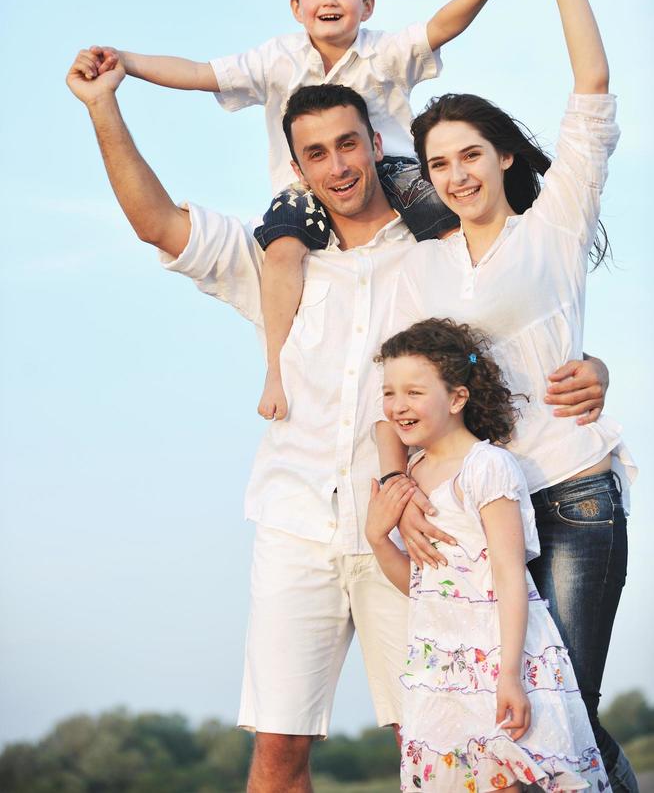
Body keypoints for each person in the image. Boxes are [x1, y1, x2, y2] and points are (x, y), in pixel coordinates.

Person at [66, 54, 608, 793]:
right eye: (316, 153)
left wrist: (594, 366)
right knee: (278, 753)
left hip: (413, 526)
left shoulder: (433, 256)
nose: (338, 164)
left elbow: (516, 333)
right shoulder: (274, 261)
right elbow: (156, 223)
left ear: (374, 145)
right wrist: (103, 107)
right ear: (297, 167)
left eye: (349, 143)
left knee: (443, 737)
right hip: (295, 523)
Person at [84, 0, 543, 422]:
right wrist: (127, 64)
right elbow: (201, 73)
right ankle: (275, 368)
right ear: (296, 8)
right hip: (303, 191)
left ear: (367, 5)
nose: (330, 1)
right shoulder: (277, 58)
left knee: (456, 240)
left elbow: (442, 25)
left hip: (395, 171)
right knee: (282, 251)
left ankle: (489, 333)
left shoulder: (382, 51)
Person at [384, 0, 638, 792]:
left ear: (503, 157)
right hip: (478, 509)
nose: (456, 174)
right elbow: (387, 392)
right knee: (512, 718)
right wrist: (395, 483)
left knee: (569, 705)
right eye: (438, 164)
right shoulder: (421, 268)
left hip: (571, 490)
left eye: (469, 154)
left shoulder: (555, 227)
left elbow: (592, 91)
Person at [366, 317, 610, 792]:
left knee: (517, 779)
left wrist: (511, 676)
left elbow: (510, 576)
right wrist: (378, 540)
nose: (398, 406)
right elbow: (424, 589)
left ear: (457, 398)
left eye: (414, 392)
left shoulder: (488, 468)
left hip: (499, 660)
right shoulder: (411, 477)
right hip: (440, 670)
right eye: (389, 393)